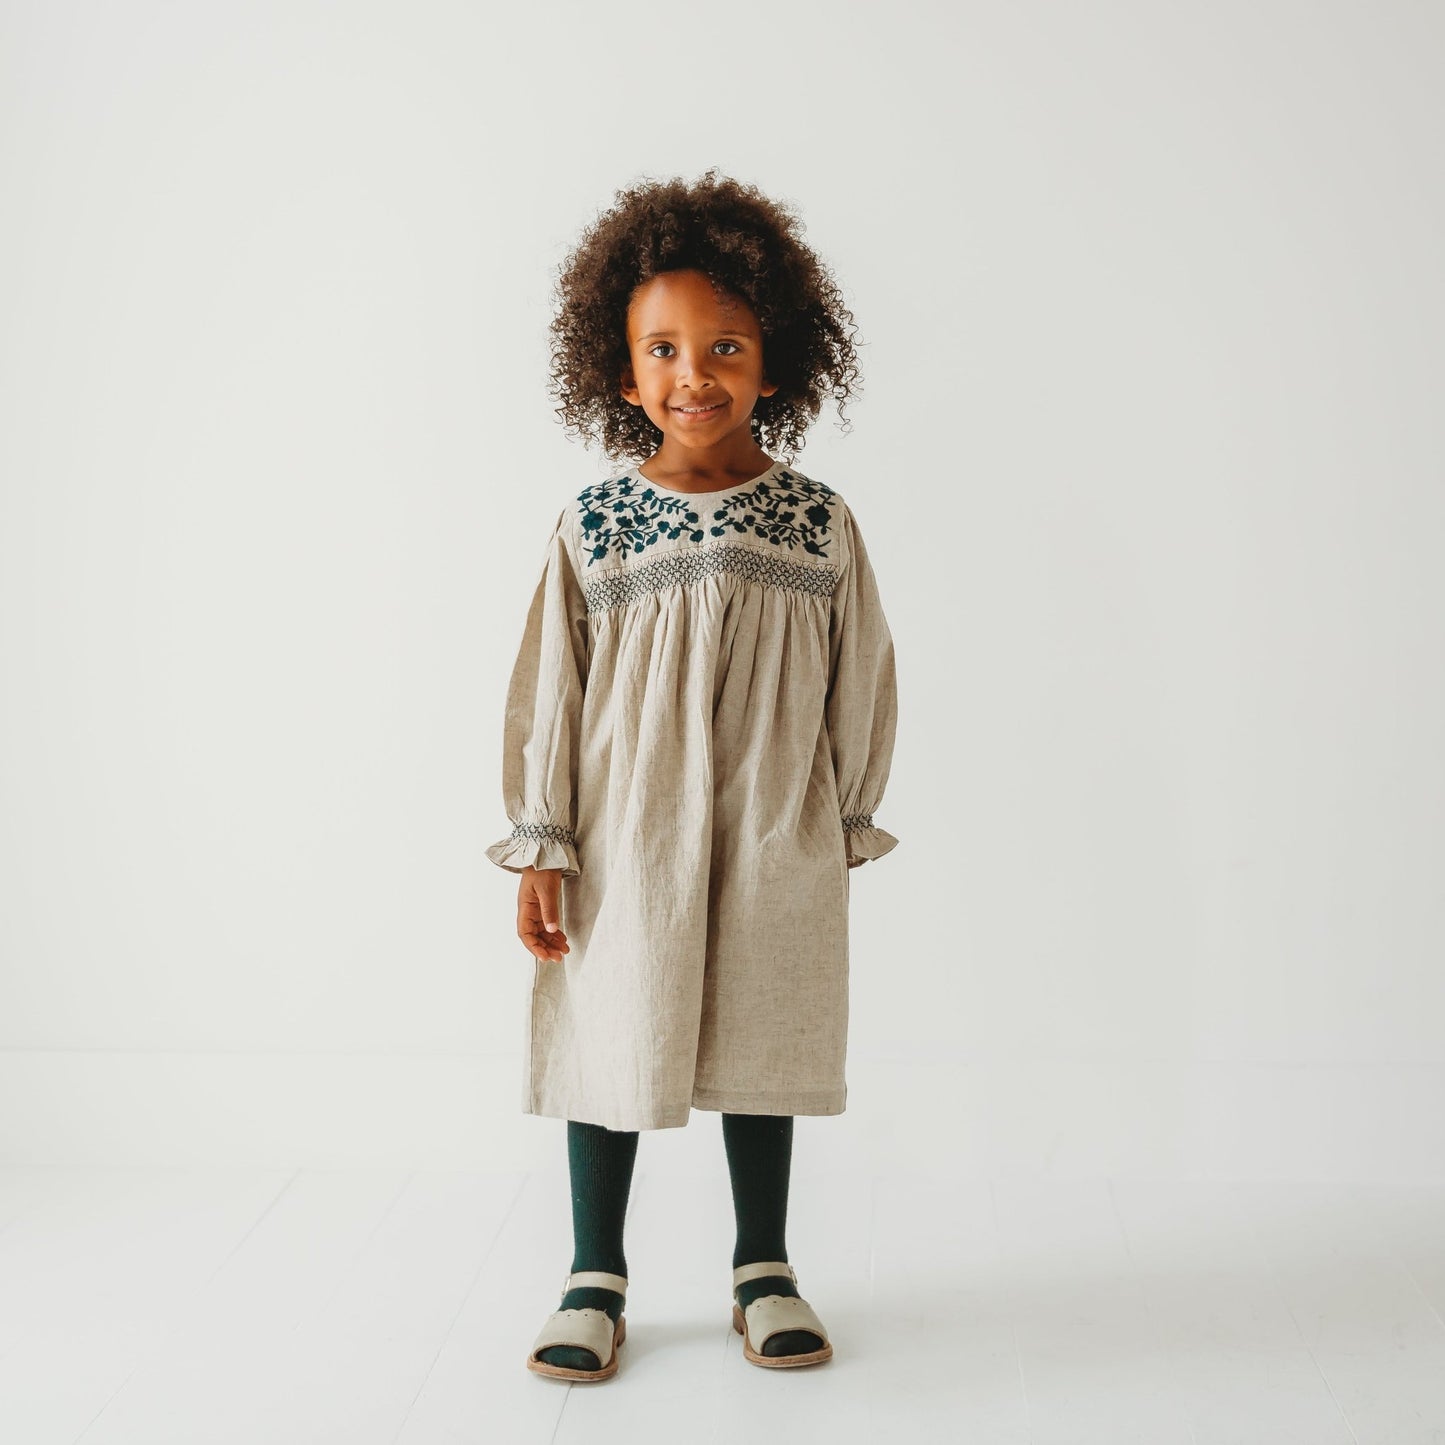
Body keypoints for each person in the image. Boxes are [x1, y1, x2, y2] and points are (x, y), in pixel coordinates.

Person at [486, 169, 899, 1382]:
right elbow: (549, 683)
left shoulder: (816, 524)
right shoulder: (597, 527)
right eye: (661, 348)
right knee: (616, 1031)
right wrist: (543, 837)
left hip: (774, 825)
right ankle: (591, 1273)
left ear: (775, 358)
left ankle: (761, 1262)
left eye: (724, 344)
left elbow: (860, 670)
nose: (694, 373)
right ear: (619, 372)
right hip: (628, 832)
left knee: (762, 1034)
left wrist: (840, 819)